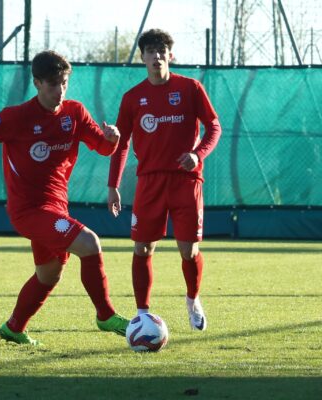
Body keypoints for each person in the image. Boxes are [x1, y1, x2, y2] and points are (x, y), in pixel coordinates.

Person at [0, 50, 129, 345]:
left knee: (49, 275)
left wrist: (113, 139)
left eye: (64, 83)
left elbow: (103, 149)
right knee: (90, 243)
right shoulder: (15, 118)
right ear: (37, 83)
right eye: (53, 84)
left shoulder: (75, 113)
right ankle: (105, 316)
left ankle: (13, 328)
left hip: (56, 209)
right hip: (29, 211)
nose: (60, 90)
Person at [108, 29, 222, 331]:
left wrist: (198, 155)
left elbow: (213, 126)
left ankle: (192, 298)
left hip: (186, 182)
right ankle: (143, 314)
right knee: (142, 247)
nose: (157, 56)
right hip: (149, 183)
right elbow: (120, 143)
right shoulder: (132, 98)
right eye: (150, 51)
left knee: (189, 250)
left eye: (162, 50)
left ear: (170, 55)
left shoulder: (190, 88)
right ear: (142, 57)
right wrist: (113, 185)